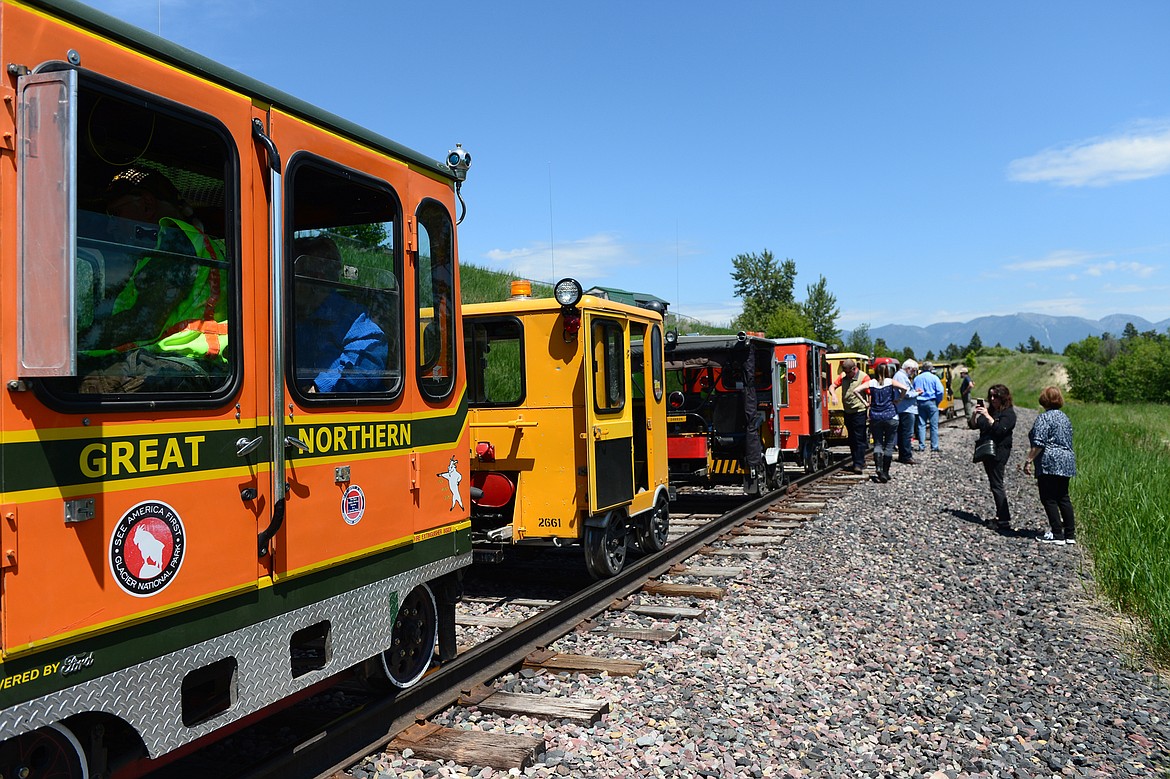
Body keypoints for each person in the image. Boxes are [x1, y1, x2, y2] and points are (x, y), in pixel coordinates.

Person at [80, 167, 229, 392]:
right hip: (201, 363)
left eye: (115, 213)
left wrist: (77, 339)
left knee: (83, 386)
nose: (110, 225)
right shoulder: (209, 246)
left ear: (147, 204)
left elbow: (144, 321)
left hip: (175, 363)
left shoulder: (175, 241)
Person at [293, 236, 389, 393]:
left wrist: (317, 389)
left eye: (294, 275)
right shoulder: (286, 314)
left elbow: (366, 365)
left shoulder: (351, 317)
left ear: (317, 279)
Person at [1023, 387, 1077, 545]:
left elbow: (1039, 443)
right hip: (1066, 460)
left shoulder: (1044, 418)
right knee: (1063, 497)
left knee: (1048, 498)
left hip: (1049, 461)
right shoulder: (1065, 418)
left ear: (1044, 400)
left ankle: (1057, 534)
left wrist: (1029, 460)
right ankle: (1070, 534)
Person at [969, 384, 1017, 534]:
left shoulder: (1008, 414)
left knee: (997, 484)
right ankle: (1001, 516)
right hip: (987, 451)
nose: (992, 399)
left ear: (1003, 397)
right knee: (994, 483)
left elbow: (1000, 429)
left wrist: (989, 418)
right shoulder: (990, 410)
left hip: (999, 452)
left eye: (995, 396)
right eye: (990, 396)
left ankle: (1004, 519)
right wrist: (975, 414)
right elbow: (974, 426)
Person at [854, 362, 908, 482]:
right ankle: (885, 472)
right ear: (887, 371)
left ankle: (878, 468)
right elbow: (904, 388)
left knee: (878, 443)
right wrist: (899, 399)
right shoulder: (890, 381)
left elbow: (856, 390)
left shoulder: (871, 383)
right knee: (889, 444)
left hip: (876, 416)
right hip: (890, 416)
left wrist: (865, 403)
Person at [830, 358, 869, 474]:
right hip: (848, 412)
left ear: (854, 369)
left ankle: (858, 464)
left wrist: (869, 409)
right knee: (851, 439)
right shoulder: (843, 376)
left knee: (859, 438)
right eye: (845, 372)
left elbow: (869, 393)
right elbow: (832, 386)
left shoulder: (863, 377)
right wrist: (833, 395)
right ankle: (858, 460)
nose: (847, 374)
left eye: (848, 372)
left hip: (859, 411)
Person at [913, 361, 945, 452]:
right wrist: (938, 401)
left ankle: (921, 446)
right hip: (931, 402)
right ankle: (934, 446)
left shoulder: (917, 378)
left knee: (921, 425)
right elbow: (940, 391)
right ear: (931, 369)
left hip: (920, 402)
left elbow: (913, 390)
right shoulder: (934, 378)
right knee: (933, 425)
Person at [893, 359, 920, 464]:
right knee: (906, 433)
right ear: (908, 368)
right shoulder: (901, 376)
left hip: (905, 408)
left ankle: (904, 455)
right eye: (913, 371)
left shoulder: (901, 376)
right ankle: (906, 456)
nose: (913, 373)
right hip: (905, 409)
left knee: (904, 433)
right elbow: (906, 393)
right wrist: (917, 393)